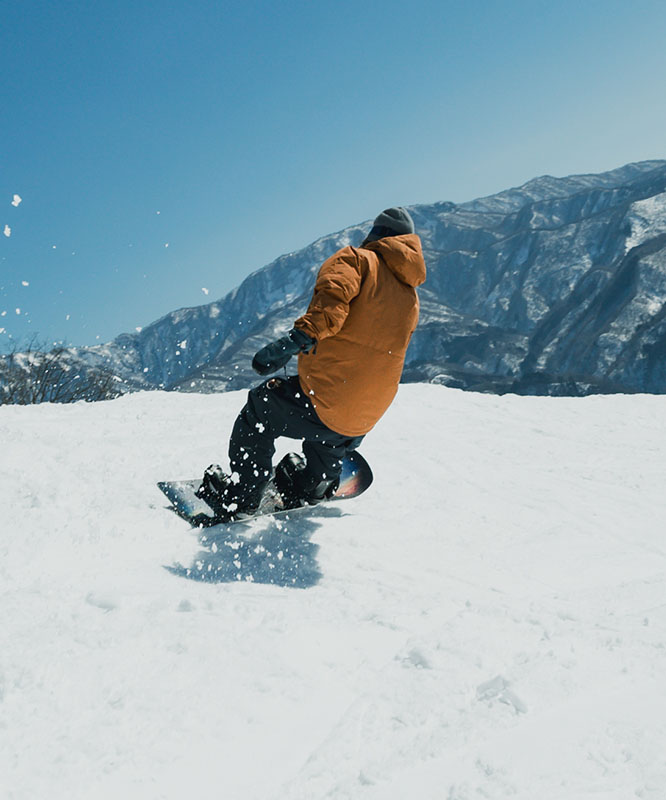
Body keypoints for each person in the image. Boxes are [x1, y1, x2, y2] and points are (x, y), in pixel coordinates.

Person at [197, 207, 427, 520]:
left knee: (262, 406)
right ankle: (314, 483)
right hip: (366, 416)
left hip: (329, 399)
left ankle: (243, 496)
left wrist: (290, 344)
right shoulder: (411, 297)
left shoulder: (356, 261)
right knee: (332, 423)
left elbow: (329, 312)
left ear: (377, 236)